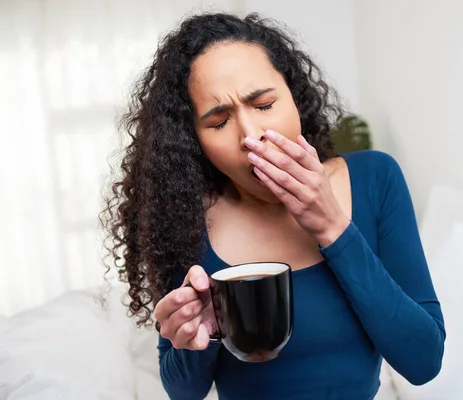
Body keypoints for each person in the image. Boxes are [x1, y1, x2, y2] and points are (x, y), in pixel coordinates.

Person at [100, 12, 445, 400]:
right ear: (194, 141)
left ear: (293, 95)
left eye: (263, 104)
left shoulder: (375, 178)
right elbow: (184, 392)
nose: (251, 137)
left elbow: (424, 362)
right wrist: (195, 337)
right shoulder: (183, 220)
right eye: (218, 123)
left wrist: (333, 228)